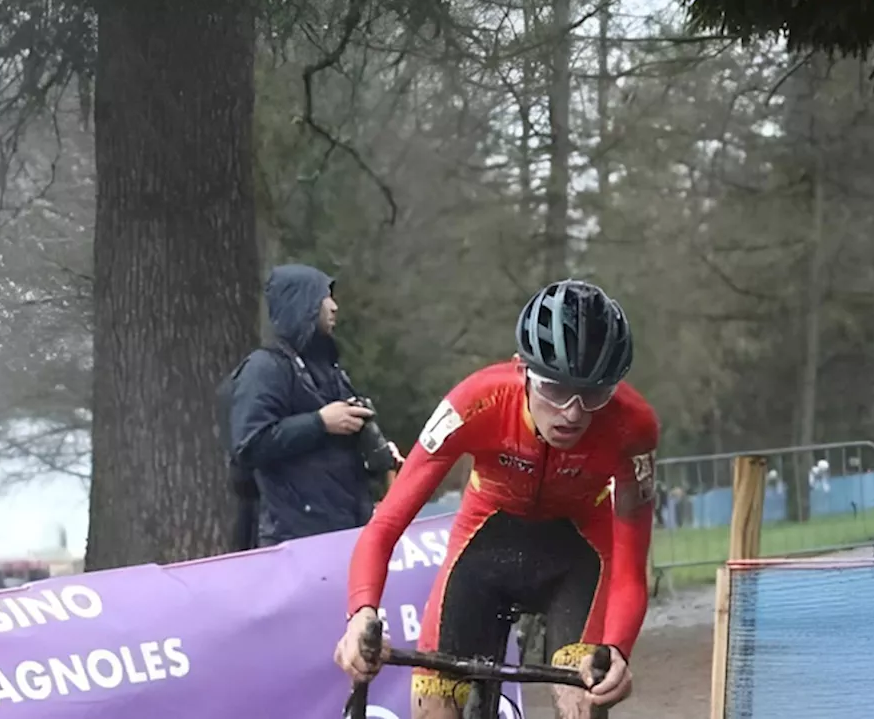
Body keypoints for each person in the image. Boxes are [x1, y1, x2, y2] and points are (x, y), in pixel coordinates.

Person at [334, 279, 659, 719]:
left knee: (583, 699)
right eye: (555, 388)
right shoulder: (475, 402)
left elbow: (630, 569)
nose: (574, 411)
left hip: (578, 551)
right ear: (522, 369)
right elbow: (386, 525)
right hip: (486, 541)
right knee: (434, 705)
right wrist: (360, 613)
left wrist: (618, 648)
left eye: (596, 393)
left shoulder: (633, 426)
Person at [227, 264, 389, 547]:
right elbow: (249, 445)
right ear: (303, 304)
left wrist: (373, 452)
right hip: (294, 540)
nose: (335, 307)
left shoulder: (331, 368)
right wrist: (319, 422)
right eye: (324, 297)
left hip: (347, 527)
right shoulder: (265, 368)